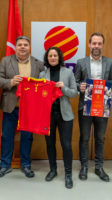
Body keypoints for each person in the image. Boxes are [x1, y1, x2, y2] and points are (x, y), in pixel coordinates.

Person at [0, 36, 44, 178]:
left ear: (30, 47)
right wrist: (10, 82)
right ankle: (5, 165)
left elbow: (44, 83)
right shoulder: (6, 61)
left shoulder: (38, 64)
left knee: (27, 137)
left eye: (25, 45)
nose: (23, 47)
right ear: (15, 47)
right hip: (11, 105)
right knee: (7, 136)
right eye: (20, 45)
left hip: (30, 108)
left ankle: (26, 165)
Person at [75, 32, 112, 182]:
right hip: (84, 106)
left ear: (103, 45)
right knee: (84, 138)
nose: (96, 46)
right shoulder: (81, 62)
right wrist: (80, 86)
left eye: (99, 44)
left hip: (102, 106)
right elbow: (75, 82)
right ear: (89, 45)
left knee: (100, 138)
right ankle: (84, 167)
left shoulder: (110, 62)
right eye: (94, 43)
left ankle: (99, 167)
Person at [39, 47, 77, 189]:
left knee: (66, 145)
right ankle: (53, 170)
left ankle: (68, 174)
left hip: (65, 115)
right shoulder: (42, 74)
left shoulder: (68, 73)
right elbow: (39, 96)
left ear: (59, 57)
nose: (53, 58)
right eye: (50, 56)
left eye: (55, 55)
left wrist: (63, 88)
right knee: (50, 144)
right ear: (47, 58)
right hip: (47, 115)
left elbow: (74, 93)